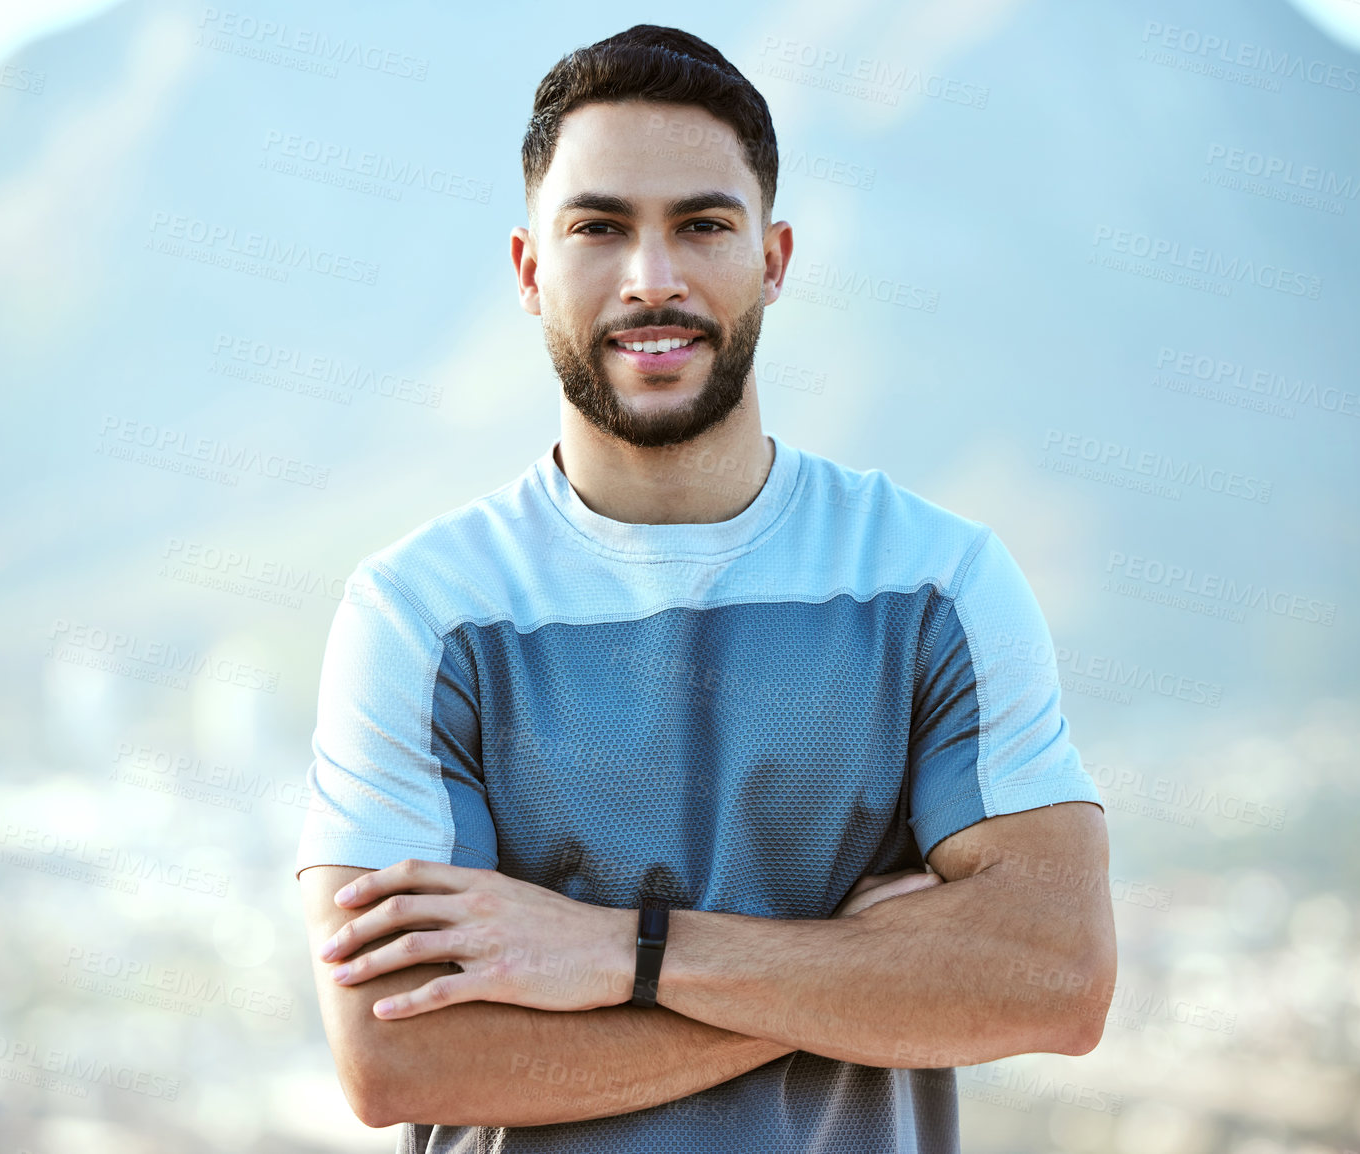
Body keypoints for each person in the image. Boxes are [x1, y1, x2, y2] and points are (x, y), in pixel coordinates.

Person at [296, 24, 1116, 1153]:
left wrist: (625, 952)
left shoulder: (938, 581)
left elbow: (1055, 976)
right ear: (532, 271)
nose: (654, 278)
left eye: (703, 224)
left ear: (772, 258)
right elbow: (399, 1055)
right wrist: (857, 976)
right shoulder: (419, 612)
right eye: (599, 227)